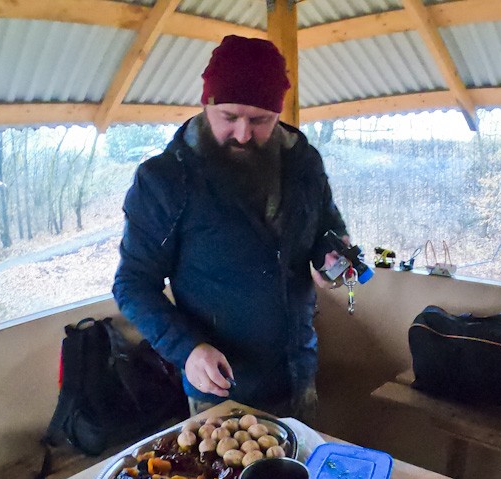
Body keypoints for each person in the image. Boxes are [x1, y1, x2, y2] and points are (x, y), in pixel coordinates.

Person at [113, 35, 349, 425]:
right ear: (207, 105)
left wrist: (334, 256)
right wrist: (187, 349)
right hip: (220, 390)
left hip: (298, 372)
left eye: (260, 120)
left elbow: (327, 225)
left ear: (278, 113)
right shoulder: (165, 180)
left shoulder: (303, 161)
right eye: (229, 117)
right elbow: (132, 283)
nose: (243, 133)